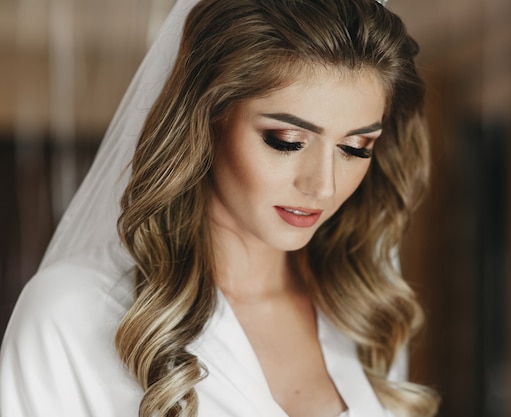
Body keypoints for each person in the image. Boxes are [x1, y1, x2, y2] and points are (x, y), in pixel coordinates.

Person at [0, 0, 439, 416]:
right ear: (209, 120)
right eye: (286, 142)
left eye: (355, 147)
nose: (322, 186)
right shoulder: (71, 312)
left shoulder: (362, 307)